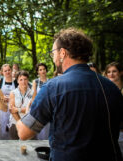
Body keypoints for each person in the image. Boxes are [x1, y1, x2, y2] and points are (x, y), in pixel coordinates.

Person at [16, 28, 123, 161]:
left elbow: (24, 133)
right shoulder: (112, 87)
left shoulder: (53, 87)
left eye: (53, 53)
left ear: (62, 53)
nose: (53, 58)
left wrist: (21, 115)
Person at [0, 64, 18, 140]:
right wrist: (2, 97)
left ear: (11, 70)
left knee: (12, 129)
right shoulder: (0, 81)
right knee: (2, 128)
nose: (7, 72)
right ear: (2, 72)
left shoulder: (16, 81)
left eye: (9, 70)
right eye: (5, 71)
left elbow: (20, 94)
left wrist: (11, 98)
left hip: (13, 108)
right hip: (2, 109)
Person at [8, 71, 33, 140]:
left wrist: (18, 109)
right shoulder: (13, 93)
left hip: (29, 125)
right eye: (21, 79)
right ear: (17, 81)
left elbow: (32, 110)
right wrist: (20, 124)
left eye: (25, 79)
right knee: (14, 148)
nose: (23, 81)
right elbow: (12, 110)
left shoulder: (32, 93)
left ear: (28, 80)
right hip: (15, 123)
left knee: (29, 147)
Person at [31, 63, 50, 140]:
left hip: (48, 109)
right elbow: (33, 97)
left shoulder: (50, 81)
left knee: (47, 131)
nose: (42, 71)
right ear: (38, 72)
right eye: (40, 70)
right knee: (38, 132)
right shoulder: (35, 82)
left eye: (44, 69)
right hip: (38, 109)